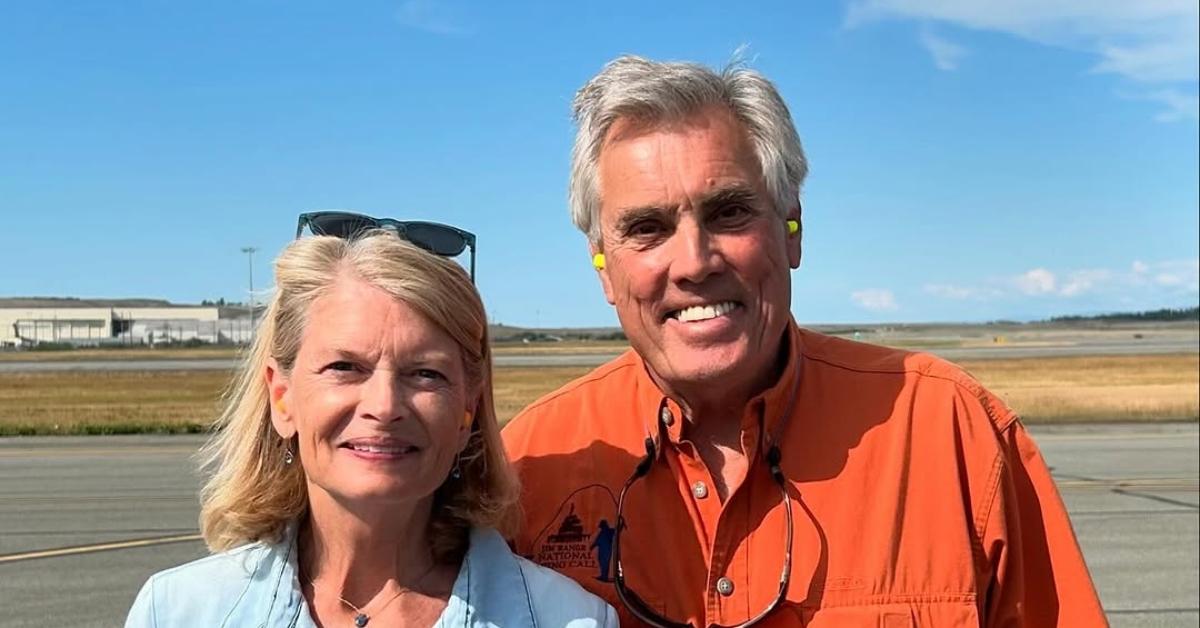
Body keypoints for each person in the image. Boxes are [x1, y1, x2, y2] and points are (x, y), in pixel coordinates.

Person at [503, 55, 1106, 627]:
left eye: (730, 212)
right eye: (647, 228)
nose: (693, 261)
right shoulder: (528, 469)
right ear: (603, 265)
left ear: (792, 230)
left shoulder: (953, 432)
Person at [127, 228, 617, 627]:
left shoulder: (572, 620)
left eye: (425, 373)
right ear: (282, 397)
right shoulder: (177, 611)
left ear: (469, 408)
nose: (384, 406)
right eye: (345, 367)